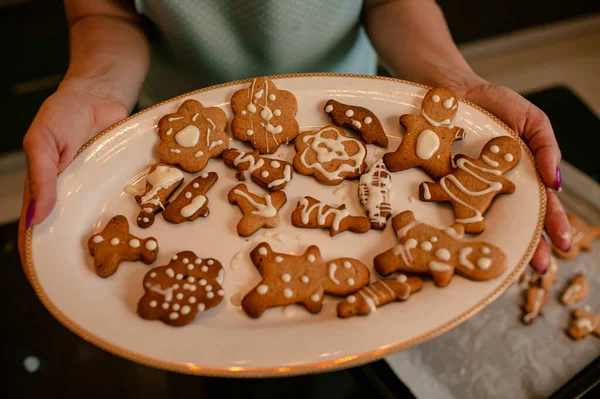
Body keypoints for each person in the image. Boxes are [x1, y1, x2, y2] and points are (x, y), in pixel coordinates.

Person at [20, 0, 570, 274]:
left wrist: (455, 85)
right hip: (181, 128)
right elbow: (105, 10)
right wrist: (92, 87)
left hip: (354, 104)